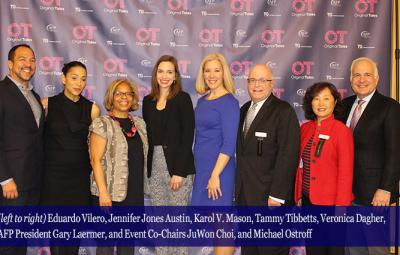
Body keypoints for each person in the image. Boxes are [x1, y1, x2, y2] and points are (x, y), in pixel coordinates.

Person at [235, 64, 300, 255]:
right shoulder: (244, 109)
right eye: (253, 80)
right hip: (246, 197)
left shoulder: (283, 111)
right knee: (250, 250)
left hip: (270, 199)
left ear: (271, 84)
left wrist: (277, 195)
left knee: (271, 249)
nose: (257, 85)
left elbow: (288, 155)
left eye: (262, 80)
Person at [40, 61, 100, 255]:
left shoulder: (93, 110)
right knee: (56, 234)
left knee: (74, 233)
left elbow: (96, 149)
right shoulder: (47, 105)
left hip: (79, 180)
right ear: (63, 79)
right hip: (53, 179)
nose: (79, 83)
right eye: (74, 78)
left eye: (83, 79)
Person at [341, 57, 400, 255]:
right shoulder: (344, 105)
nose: (361, 79)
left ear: (377, 78)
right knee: (353, 249)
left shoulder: (389, 107)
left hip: (375, 196)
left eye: (367, 75)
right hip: (347, 194)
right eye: (357, 75)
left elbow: (395, 151)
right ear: (350, 79)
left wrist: (386, 189)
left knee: (376, 249)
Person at [142, 55, 195, 255]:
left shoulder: (183, 99)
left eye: (169, 72)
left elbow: (187, 136)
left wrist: (179, 172)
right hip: (155, 167)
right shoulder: (147, 102)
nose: (165, 76)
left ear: (175, 76)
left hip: (178, 168)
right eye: (161, 71)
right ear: (156, 75)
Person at [89, 79, 148, 255]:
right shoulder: (102, 123)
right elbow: (95, 160)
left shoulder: (139, 124)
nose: (124, 97)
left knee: (127, 243)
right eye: (118, 93)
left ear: (133, 98)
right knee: (106, 244)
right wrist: (103, 192)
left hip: (133, 193)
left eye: (128, 93)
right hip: (109, 194)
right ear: (111, 97)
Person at [294, 82, 354, 255]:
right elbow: (300, 166)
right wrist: (298, 194)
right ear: (310, 103)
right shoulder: (305, 128)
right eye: (316, 99)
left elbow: (346, 172)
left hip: (331, 205)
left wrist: (341, 208)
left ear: (335, 102)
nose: (321, 103)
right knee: (313, 250)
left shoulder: (342, 131)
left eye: (326, 98)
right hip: (308, 202)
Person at [191, 53, 239, 255]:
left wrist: (215, 175)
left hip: (219, 172)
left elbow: (229, 143)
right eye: (207, 70)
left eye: (216, 70)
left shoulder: (229, 102)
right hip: (202, 170)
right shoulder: (202, 101)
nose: (212, 75)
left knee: (222, 225)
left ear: (224, 73)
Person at [0, 44, 45, 255]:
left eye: (32, 59)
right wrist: (5, 178)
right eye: (22, 59)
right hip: (11, 183)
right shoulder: (2, 92)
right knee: (8, 242)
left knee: (21, 240)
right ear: (10, 64)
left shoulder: (34, 96)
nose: (28, 64)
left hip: (31, 181)